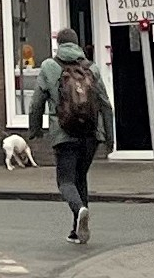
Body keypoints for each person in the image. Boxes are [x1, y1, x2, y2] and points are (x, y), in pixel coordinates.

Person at [28, 28, 113, 245]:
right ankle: (78, 231)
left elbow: (37, 103)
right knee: (80, 178)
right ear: (77, 44)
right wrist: (109, 138)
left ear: (59, 43)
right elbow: (105, 104)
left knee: (66, 181)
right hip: (90, 134)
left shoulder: (49, 66)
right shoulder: (91, 68)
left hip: (63, 133)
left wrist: (35, 129)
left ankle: (79, 209)